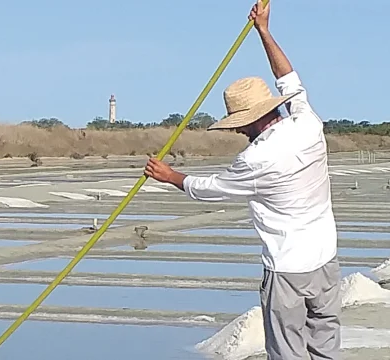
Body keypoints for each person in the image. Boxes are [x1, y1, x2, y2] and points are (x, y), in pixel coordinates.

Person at [144, 1, 341, 359]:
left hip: (287, 270)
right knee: (325, 348)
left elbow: (211, 190)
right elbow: (289, 79)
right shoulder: (308, 123)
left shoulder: (257, 158)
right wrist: (264, 31)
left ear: (247, 121)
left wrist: (170, 176)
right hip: (326, 259)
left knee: (287, 352)